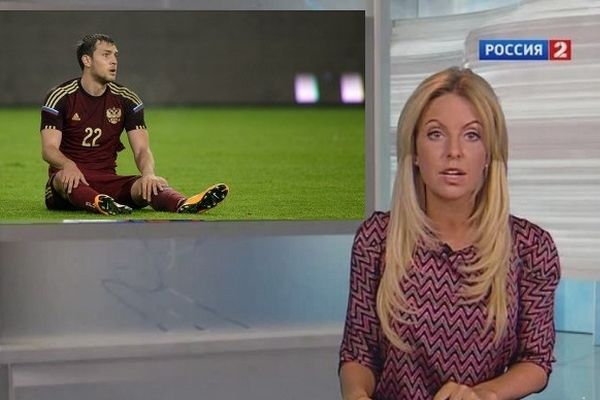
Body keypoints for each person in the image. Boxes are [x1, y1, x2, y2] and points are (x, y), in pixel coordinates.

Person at [339, 67, 561, 400]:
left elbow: (536, 360)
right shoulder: (377, 239)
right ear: (415, 152)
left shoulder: (531, 247)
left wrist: (482, 395)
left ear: (489, 153)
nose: (453, 151)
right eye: (436, 134)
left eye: (471, 135)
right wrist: (356, 395)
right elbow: (358, 352)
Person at [41, 33, 228, 216]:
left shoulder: (127, 99)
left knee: (148, 184)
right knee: (62, 179)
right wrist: (68, 165)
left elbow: (142, 150)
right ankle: (99, 202)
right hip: (68, 181)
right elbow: (49, 149)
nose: (114, 61)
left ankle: (184, 204)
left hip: (108, 181)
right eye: (106, 55)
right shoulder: (60, 96)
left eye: (115, 55)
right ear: (87, 60)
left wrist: (148, 174)